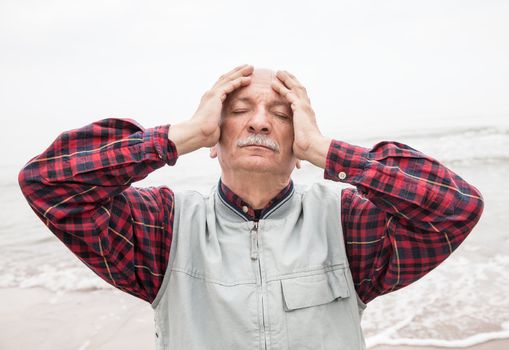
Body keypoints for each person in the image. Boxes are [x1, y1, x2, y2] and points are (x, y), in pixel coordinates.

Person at [18, 65, 484, 350]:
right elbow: (48, 184)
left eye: (282, 115)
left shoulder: (346, 222)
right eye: (238, 110)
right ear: (213, 139)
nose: (260, 121)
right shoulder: (163, 226)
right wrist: (173, 139)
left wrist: (328, 151)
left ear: (298, 143)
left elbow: (455, 208)